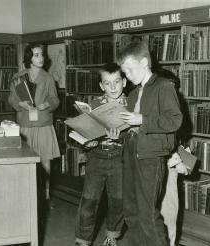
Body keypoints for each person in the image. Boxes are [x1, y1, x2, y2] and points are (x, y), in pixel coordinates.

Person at [117, 41, 183, 246]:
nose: (126, 75)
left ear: (144, 62)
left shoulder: (164, 86)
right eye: (124, 71)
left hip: (151, 157)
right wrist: (117, 132)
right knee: (131, 211)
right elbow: (130, 126)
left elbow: (175, 120)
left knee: (147, 214)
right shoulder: (134, 93)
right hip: (130, 152)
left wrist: (142, 120)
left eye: (130, 69)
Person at [75, 63, 127, 246]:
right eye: (107, 83)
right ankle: (83, 241)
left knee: (118, 200)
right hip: (97, 157)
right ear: (101, 86)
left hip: (120, 159)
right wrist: (89, 141)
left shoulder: (131, 106)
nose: (113, 87)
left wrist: (120, 138)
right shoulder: (94, 105)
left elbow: (136, 139)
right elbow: (85, 133)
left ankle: (112, 236)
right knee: (89, 201)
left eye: (117, 82)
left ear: (125, 82)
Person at [8, 44, 60, 200]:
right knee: (24, 159)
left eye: (42, 54)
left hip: (43, 124)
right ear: (29, 58)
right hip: (25, 125)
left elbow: (55, 99)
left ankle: (45, 192)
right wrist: (20, 104)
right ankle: (24, 190)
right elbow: (12, 98)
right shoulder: (18, 77)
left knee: (45, 160)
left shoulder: (48, 77)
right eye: (36, 55)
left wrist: (47, 104)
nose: (41, 58)